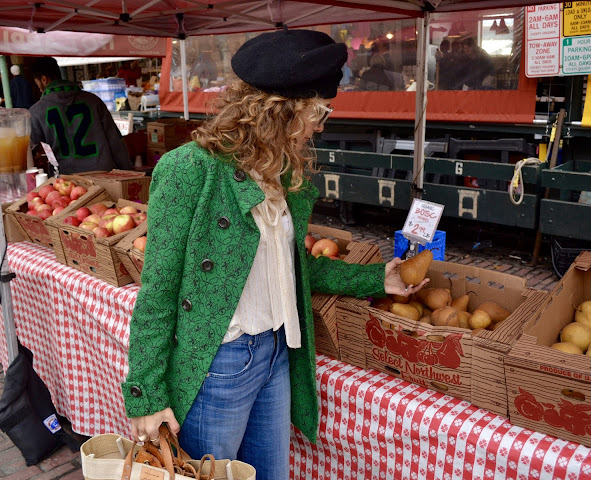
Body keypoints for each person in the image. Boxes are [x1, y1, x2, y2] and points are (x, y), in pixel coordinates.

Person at [121, 28, 429, 480]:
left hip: (277, 353)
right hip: (217, 364)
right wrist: (145, 393)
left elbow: (291, 267)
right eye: (319, 112)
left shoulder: (285, 173)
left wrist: (376, 279)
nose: (323, 125)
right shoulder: (190, 170)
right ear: (281, 111)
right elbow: (159, 290)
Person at [29, 57, 132, 174]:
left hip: (66, 182)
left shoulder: (36, 111)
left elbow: (31, 151)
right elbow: (115, 142)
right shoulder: (93, 101)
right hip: (103, 175)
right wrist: (128, 171)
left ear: (44, 79)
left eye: (37, 83)